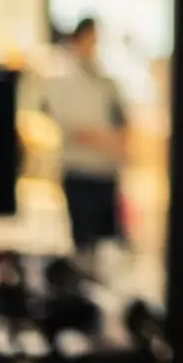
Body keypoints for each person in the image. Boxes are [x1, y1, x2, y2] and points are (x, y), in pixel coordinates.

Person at [42, 19, 128, 262]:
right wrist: (104, 140)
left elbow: (122, 123)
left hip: (104, 170)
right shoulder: (62, 81)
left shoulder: (106, 82)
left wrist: (113, 144)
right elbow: (71, 127)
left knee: (105, 243)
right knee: (82, 241)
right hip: (78, 169)